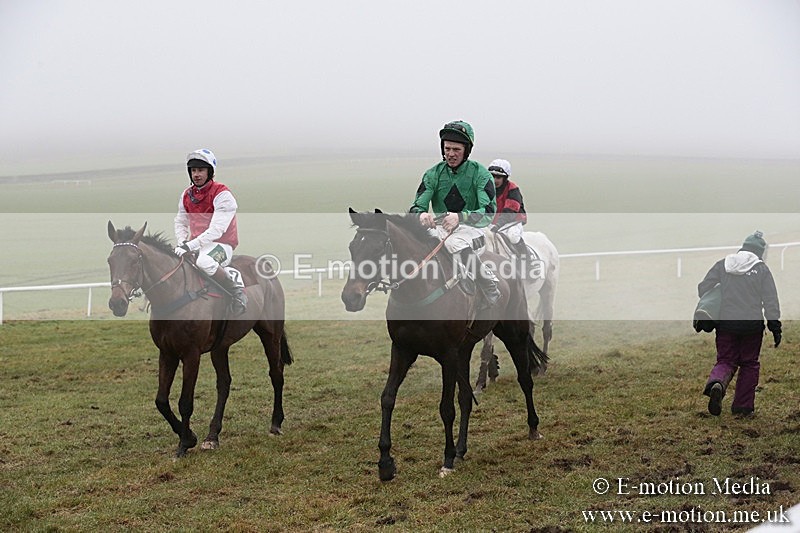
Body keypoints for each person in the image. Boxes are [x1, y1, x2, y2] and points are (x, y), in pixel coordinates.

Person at [409, 120, 501, 306]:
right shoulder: (432, 174)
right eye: (447, 148)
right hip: (441, 227)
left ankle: (489, 285)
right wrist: (421, 215)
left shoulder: (481, 174)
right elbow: (417, 206)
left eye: (456, 149)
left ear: (467, 150)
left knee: (454, 243)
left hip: (474, 229)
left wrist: (460, 217)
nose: (450, 154)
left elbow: (489, 212)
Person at [698, 231, 781, 417]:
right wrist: (775, 326)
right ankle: (742, 408)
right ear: (760, 252)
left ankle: (717, 383)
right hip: (752, 326)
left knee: (726, 360)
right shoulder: (761, 269)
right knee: (749, 364)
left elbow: (703, 287)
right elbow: (770, 300)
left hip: (726, 325)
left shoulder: (723, 264)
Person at [174, 148, 247, 315]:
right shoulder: (186, 194)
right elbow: (180, 221)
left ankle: (237, 291)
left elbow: (217, 230)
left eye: (201, 170)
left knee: (204, 262)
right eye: (193, 170)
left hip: (222, 244)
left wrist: (189, 246)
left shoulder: (223, 194)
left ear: (210, 172)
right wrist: (181, 242)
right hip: (196, 245)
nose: (196, 174)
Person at [487, 158, 528, 260]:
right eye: (492, 176)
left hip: (513, 221)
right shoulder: (486, 190)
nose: (495, 180)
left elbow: (509, 212)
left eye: (498, 177)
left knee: (513, 236)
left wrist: (497, 225)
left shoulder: (513, 189)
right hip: (494, 223)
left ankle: (528, 261)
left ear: (505, 178)